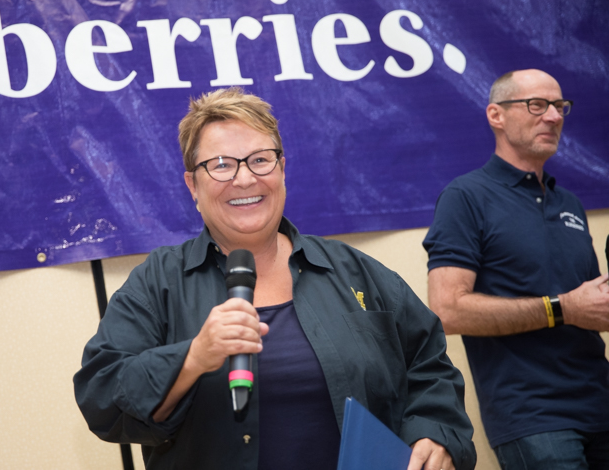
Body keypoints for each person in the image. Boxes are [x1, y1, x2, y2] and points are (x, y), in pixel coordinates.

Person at [75, 87, 476, 470]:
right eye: (221, 165)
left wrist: (434, 434)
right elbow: (103, 394)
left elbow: (429, 367)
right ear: (192, 186)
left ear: (282, 169)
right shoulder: (157, 284)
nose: (245, 179)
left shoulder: (356, 272)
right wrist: (193, 358)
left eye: (260, 160)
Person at [424, 69, 609, 469]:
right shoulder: (466, 197)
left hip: (600, 401)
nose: (554, 117)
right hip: (533, 418)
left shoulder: (571, 205)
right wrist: (562, 308)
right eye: (537, 105)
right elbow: (446, 310)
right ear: (496, 115)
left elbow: (589, 303)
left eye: (559, 107)